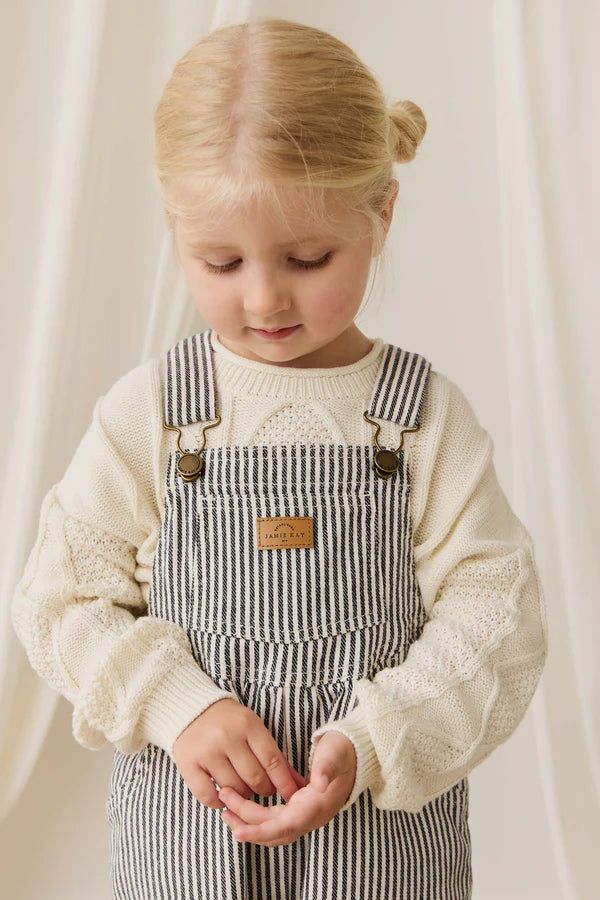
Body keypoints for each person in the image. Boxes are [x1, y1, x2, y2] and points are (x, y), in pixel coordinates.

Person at [11, 16, 548, 900]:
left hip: (382, 855)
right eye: (221, 262)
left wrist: (374, 740)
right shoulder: (155, 413)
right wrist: (177, 704)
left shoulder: (419, 421)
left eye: (307, 257)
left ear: (382, 214)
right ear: (177, 232)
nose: (264, 298)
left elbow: (499, 615)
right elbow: (60, 598)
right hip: (187, 848)